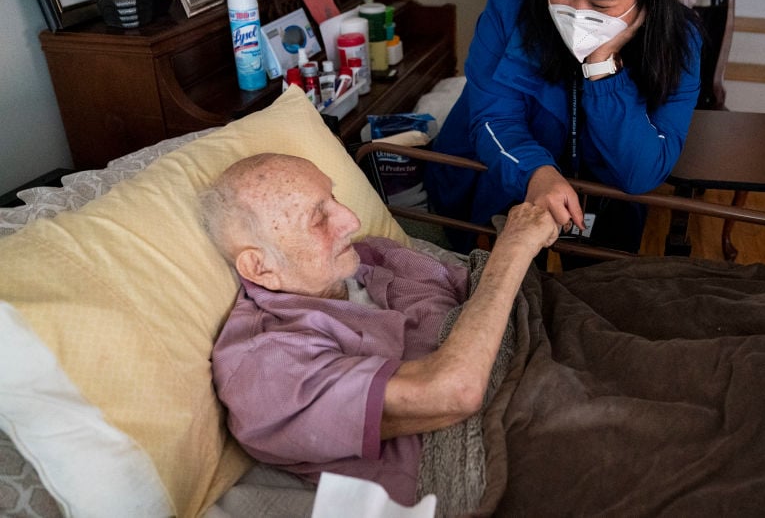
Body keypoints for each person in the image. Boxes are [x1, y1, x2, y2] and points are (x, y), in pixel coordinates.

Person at [202, 153, 559, 508]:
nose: (352, 221)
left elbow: (487, 298)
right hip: (511, 446)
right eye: (318, 218)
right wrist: (512, 248)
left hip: (550, 347)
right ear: (260, 268)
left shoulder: (373, 256)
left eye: (334, 198)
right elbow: (451, 391)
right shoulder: (267, 366)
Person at [423, 0, 702, 256]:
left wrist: (602, 66)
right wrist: (535, 172)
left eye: (601, 4)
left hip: (604, 198)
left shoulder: (678, 44)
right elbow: (493, 114)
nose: (577, 13)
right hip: (509, 173)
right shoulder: (513, 2)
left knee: (594, 289)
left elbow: (641, 173)